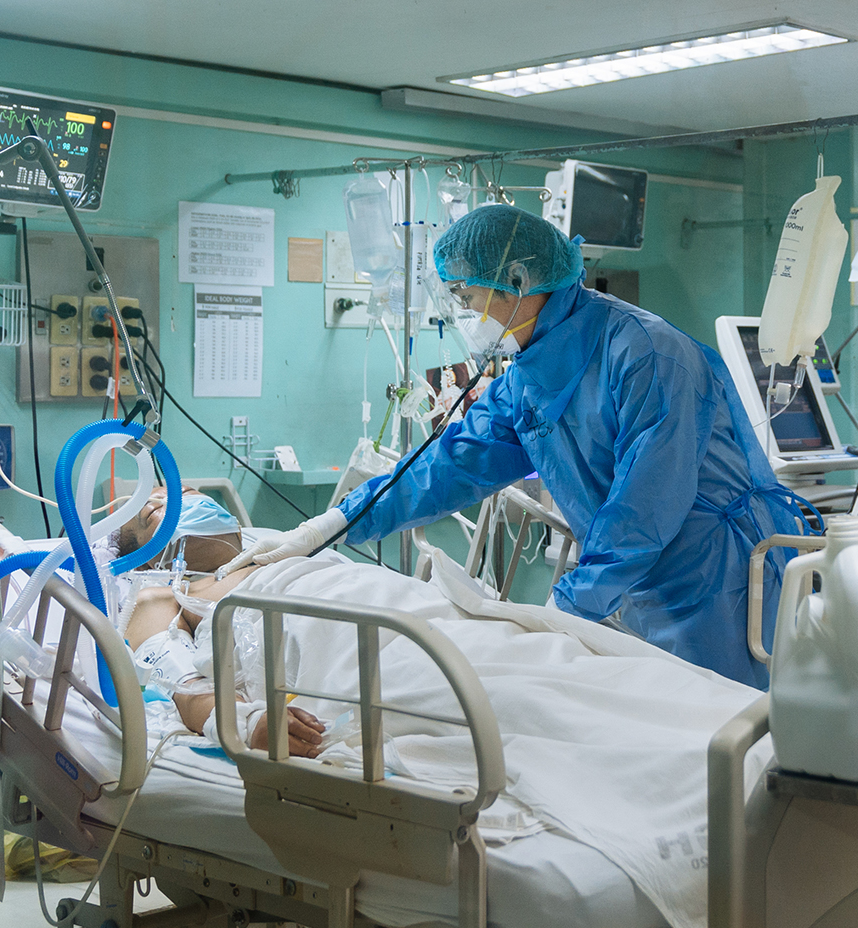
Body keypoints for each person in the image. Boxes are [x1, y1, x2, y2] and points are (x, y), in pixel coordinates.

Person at [223, 203, 817, 687]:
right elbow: (448, 464)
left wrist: (563, 610)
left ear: (517, 282)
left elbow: (646, 505)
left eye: (465, 297)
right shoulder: (528, 372)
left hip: (717, 577)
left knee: (727, 745)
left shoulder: (645, 355)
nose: (462, 314)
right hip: (636, 579)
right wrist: (330, 526)